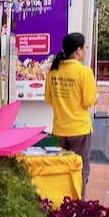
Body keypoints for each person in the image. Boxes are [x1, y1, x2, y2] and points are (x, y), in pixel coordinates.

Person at [44, 32, 98, 198]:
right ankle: (79, 207)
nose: (86, 50)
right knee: (80, 171)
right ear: (78, 50)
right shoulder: (85, 72)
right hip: (79, 131)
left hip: (59, 130)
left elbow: (49, 99)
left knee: (61, 171)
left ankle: (62, 205)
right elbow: (89, 101)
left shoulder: (53, 72)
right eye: (85, 47)